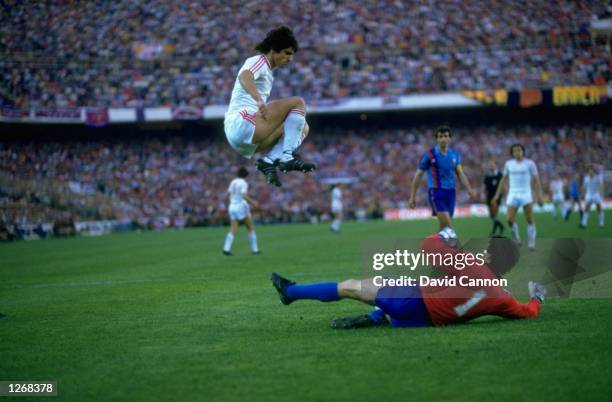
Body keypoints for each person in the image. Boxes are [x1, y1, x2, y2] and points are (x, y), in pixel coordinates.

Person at [271, 230, 546, 329]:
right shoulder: (502, 297)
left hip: (413, 299)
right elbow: (528, 313)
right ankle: (377, 319)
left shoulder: (470, 264)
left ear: (488, 255)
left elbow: (427, 246)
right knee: (401, 296)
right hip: (425, 322)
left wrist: (444, 235)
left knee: (351, 287)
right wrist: (537, 297)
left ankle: (290, 292)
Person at [224, 26, 316, 188]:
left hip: (247, 143)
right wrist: (259, 99)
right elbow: (245, 75)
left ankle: (269, 161)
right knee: (298, 102)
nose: (290, 59)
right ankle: (287, 157)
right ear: (274, 50)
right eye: (287, 53)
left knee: (303, 127)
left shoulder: (268, 72)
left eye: (292, 55)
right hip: (241, 122)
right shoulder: (260, 61)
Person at [409, 126, 477, 231]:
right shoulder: (429, 155)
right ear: (437, 139)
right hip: (436, 192)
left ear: (449, 139)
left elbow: (460, 173)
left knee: (443, 227)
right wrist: (412, 196)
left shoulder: (454, 155)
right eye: (440, 136)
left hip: (451, 193)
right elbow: (418, 175)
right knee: (448, 226)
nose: (443, 139)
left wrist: (469, 189)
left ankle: (432, 246)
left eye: (445, 136)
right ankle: (457, 248)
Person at [492, 144, 544, 251]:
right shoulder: (508, 164)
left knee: (529, 219)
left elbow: (536, 180)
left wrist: (540, 196)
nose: (517, 152)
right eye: (515, 151)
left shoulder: (530, 163)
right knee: (509, 220)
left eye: (519, 150)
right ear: (512, 153)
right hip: (513, 193)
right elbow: (503, 180)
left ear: (523, 151)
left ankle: (531, 241)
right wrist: (496, 195)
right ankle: (517, 238)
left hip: (526, 193)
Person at [222, 167, 260, 256]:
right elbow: (244, 196)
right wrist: (253, 202)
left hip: (232, 206)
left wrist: (230, 203)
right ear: (246, 175)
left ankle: (226, 248)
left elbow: (228, 195)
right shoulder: (243, 183)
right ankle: (255, 250)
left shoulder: (233, 182)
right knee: (250, 227)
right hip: (240, 206)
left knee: (233, 228)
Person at [483, 160, 504, 235]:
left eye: (492, 165)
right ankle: (500, 226)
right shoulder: (487, 176)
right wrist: (483, 194)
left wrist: (500, 194)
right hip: (489, 196)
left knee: (495, 213)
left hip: (496, 196)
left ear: (495, 166)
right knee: (492, 215)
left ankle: (496, 230)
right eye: (490, 165)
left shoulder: (499, 174)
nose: (491, 166)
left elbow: (502, 186)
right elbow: (485, 187)